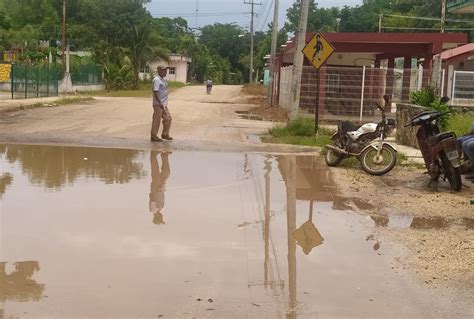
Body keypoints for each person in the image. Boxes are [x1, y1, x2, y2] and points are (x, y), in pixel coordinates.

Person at [151, 66, 173, 142]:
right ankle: (153, 136)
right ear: (159, 70)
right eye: (164, 70)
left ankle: (165, 134)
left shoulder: (162, 80)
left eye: (166, 70)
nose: (165, 72)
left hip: (163, 104)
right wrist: (159, 102)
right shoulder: (157, 80)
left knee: (168, 118)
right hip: (158, 104)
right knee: (157, 120)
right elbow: (155, 91)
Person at [149, 151, 171, 225]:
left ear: (157, 218)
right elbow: (162, 198)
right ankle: (164, 156)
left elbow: (152, 198)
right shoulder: (160, 209)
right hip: (160, 188)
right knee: (166, 172)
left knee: (155, 170)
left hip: (156, 187)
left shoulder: (153, 210)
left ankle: (153, 155)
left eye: (161, 219)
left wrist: (157, 189)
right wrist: (163, 187)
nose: (162, 217)